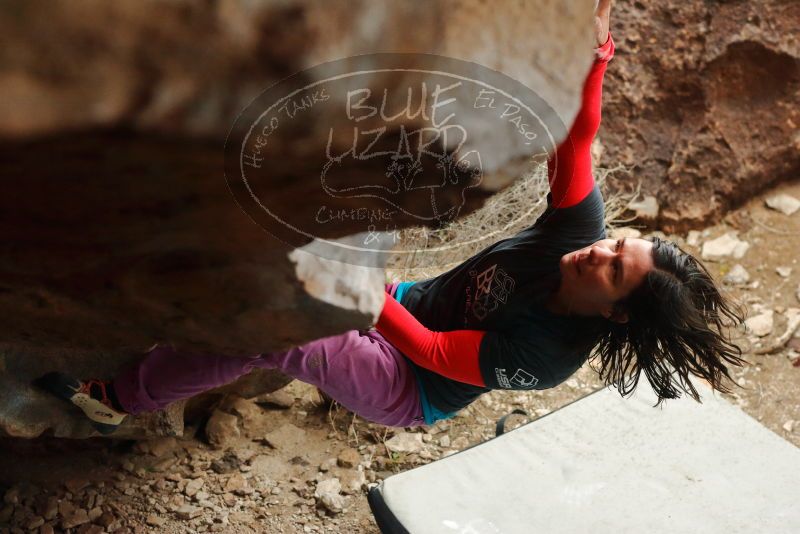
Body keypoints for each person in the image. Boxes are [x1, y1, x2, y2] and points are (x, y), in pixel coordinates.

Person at [36, 0, 745, 435]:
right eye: (618, 243)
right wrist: (597, 56)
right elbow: (576, 139)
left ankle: (121, 398)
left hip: (405, 384)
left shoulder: (548, 357)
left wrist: (360, 294)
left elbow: (435, 356)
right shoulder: (577, 236)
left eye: (614, 270)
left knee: (286, 329)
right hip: (405, 308)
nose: (600, 252)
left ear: (616, 313)